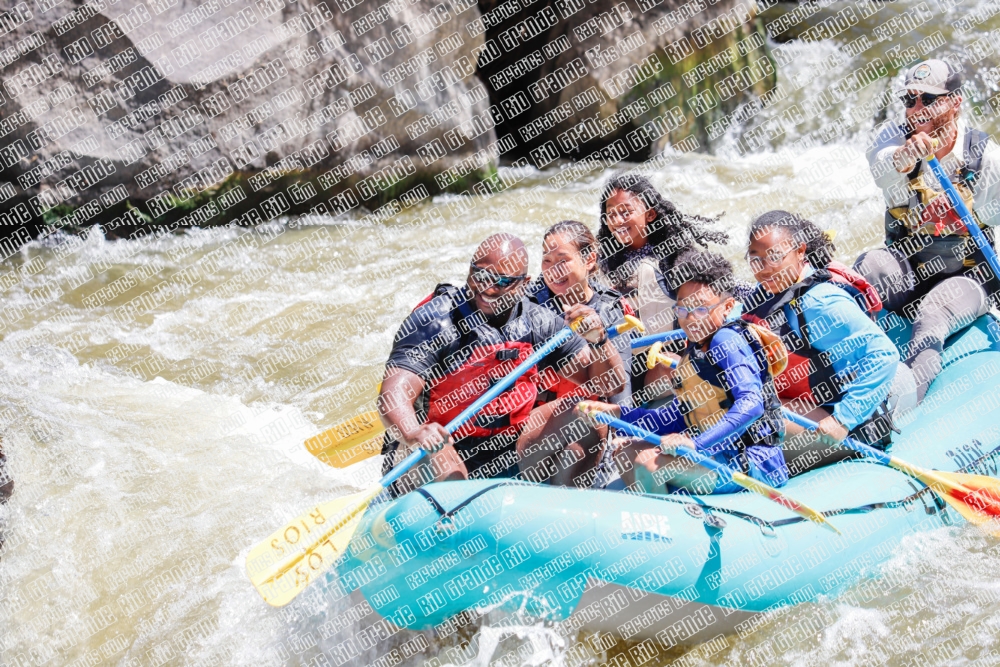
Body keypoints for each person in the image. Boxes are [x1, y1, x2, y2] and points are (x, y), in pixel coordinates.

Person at [377, 233, 627, 493]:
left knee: (589, 417)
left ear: (523, 284)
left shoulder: (538, 321)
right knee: (441, 456)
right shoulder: (434, 322)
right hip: (441, 447)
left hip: (513, 449)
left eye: (502, 281)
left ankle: (563, 512)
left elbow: (609, 384)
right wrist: (412, 432)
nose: (487, 287)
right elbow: (393, 395)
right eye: (480, 275)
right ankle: (453, 517)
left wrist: (599, 341)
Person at [578, 250, 789, 495]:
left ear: (728, 306)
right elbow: (684, 415)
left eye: (700, 309)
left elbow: (752, 404)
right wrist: (620, 414)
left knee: (648, 464)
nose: (689, 319)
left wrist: (695, 444)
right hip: (718, 454)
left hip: (754, 463)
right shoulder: (697, 346)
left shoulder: (726, 340)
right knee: (626, 453)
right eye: (682, 310)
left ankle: (663, 526)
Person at [856, 58, 1000, 403]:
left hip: (968, 278)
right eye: (910, 100)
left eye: (929, 100)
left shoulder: (986, 157)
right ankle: (832, 378)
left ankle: (900, 406)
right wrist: (904, 156)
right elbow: (881, 169)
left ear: (955, 101)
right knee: (868, 268)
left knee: (934, 310)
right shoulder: (891, 138)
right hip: (907, 269)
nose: (916, 110)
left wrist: (962, 215)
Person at [742, 211, 906, 472]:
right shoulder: (767, 293)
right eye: (756, 260)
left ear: (800, 252)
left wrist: (844, 419)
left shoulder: (820, 303)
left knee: (750, 423)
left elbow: (884, 354)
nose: (764, 269)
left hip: (850, 420)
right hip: (807, 405)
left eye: (774, 257)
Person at [596, 172, 734, 405]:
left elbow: (722, 289)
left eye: (626, 212)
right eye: (611, 214)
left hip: (657, 365)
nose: (617, 221)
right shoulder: (598, 262)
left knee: (668, 365)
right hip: (612, 365)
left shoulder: (675, 260)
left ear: (649, 214)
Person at [520, 220, 633, 487]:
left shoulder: (610, 310)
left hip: (589, 423)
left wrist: (622, 434)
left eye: (563, 260)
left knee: (577, 444)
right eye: (546, 261)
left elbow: (620, 387)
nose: (552, 270)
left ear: (589, 259)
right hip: (534, 425)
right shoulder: (528, 306)